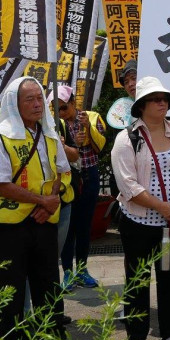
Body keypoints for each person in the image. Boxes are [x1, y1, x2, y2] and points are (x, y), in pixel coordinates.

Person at [0, 77, 77, 340]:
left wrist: (51, 203)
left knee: (49, 283)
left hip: (44, 221)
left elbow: (62, 170)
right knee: (11, 289)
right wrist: (42, 201)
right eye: (30, 99)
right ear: (15, 103)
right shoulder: (0, 137)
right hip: (11, 225)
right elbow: (1, 184)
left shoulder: (49, 133)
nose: (38, 104)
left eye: (40, 98)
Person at [110, 76, 170, 340]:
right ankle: (137, 337)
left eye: (165, 99)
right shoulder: (127, 139)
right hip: (138, 223)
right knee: (137, 278)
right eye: (155, 99)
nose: (162, 103)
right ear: (141, 105)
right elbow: (128, 186)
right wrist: (161, 206)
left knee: (169, 276)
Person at [55, 85, 107, 290]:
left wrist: (88, 128)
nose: (61, 112)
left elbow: (100, 146)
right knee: (67, 227)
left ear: (73, 102)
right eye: (57, 108)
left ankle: (82, 269)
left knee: (85, 226)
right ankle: (67, 272)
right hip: (68, 179)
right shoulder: (56, 124)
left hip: (89, 175)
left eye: (64, 107)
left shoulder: (92, 117)